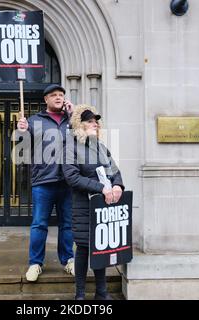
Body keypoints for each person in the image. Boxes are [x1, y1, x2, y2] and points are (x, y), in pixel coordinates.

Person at [62, 105, 124, 300]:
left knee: (101, 248)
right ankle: (79, 294)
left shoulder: (101, 147)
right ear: (79, 124)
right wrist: (101, 188)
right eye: (89, 121)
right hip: (83, 206)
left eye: (96, 121)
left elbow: (115, 172)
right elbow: (72, 177)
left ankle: (101, 292)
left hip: (103, 206)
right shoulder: (70, 147)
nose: (94, 124)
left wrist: (117, 186)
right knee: (82, 248)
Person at [17, 84, 75, 282]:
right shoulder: (34, 121)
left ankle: (68, 259)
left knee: (67, 224)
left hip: (68, 181)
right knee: (39, 224)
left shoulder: (72, 120)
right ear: (46, 100)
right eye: (54, 95)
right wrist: (21, 131)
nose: (58, 98)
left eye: (61, 95)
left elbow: (86, 140)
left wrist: (74, 115)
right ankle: (35, 263)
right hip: (43, 180)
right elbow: (22, 146)